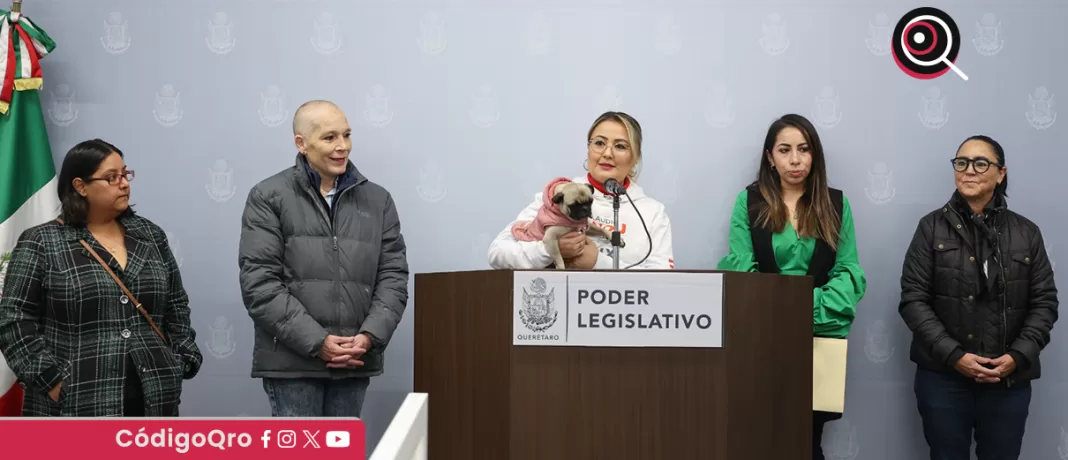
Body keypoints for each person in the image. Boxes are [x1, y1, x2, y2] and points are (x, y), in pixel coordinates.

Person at [0, 139, 202, 416]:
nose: (124, 183)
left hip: (153, 399)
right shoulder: (41, 242)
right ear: (80, 186)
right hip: (75, 403)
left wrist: (181, 359)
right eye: (111, 178)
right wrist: (52, 381)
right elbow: (14, 319)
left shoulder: (151, 235)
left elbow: (176, 305)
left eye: (125, 174)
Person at [238, 100, 409, 417]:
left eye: (346, 135)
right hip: (294, 364)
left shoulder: (378, 200)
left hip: (354, 361)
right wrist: (318, 342)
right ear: (301, 143)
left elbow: (393, 278)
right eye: (329, 138)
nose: (342, 146)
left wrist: (369, 337)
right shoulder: (268, 196)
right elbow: (259, 284)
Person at [715, 114, 866, 460]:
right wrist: (780, 311)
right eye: (785, 150)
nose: (795, 160)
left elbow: (847, 272)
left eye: (804, 149)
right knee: (757, 438)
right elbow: (741, 269)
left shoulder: (837, 204)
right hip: (759, 338)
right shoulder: (749, 202)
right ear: (770, 157)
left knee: (808, 442)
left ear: (815, 155)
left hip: (818, 340)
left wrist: (799, 311)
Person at [898, 135, 1058, 460]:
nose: (969, 170)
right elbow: (913, 301)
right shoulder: (930, 228)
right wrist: (955, 355)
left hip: (1007, 380)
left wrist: (1017, 356)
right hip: (944, 378)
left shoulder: (1027, 233)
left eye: (981, 163)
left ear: (1001, 173)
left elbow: (1045, 304)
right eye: (962, 163)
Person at [487, 111, 674, 270]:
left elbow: (663, 283)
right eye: (599, 143)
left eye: (620, 146)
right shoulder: (556, 198)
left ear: (635, 157)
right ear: (588, 149)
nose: (607, 153)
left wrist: (597, 262)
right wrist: (549, 250)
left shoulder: (652, 212)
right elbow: (497, 253)